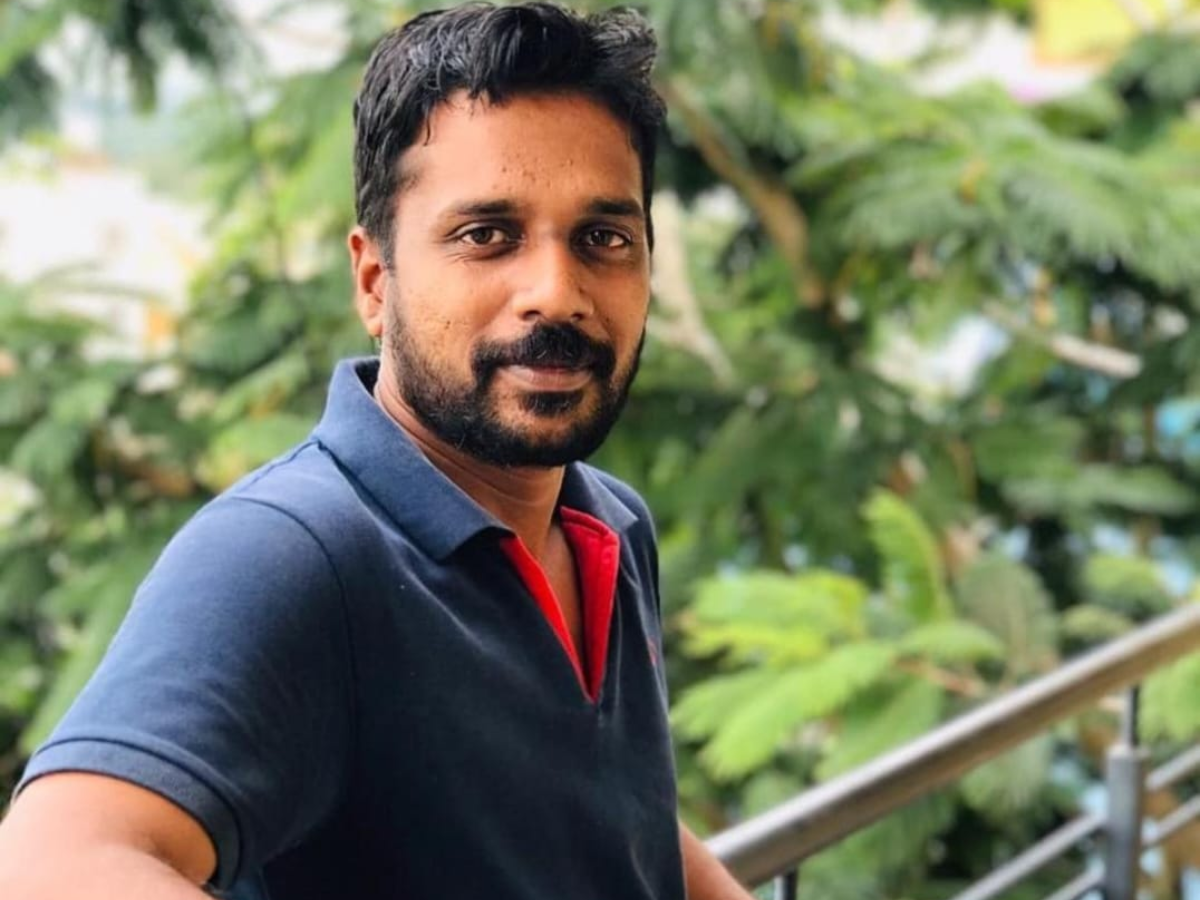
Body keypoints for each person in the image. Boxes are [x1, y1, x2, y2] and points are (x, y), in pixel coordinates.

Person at [0, 3, 755, 898]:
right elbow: (52, 864)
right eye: (487, 236)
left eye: (604, 239)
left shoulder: (609, 524)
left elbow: (612, 812)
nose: (557, 293)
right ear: (373, 281)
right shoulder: (294, 552)